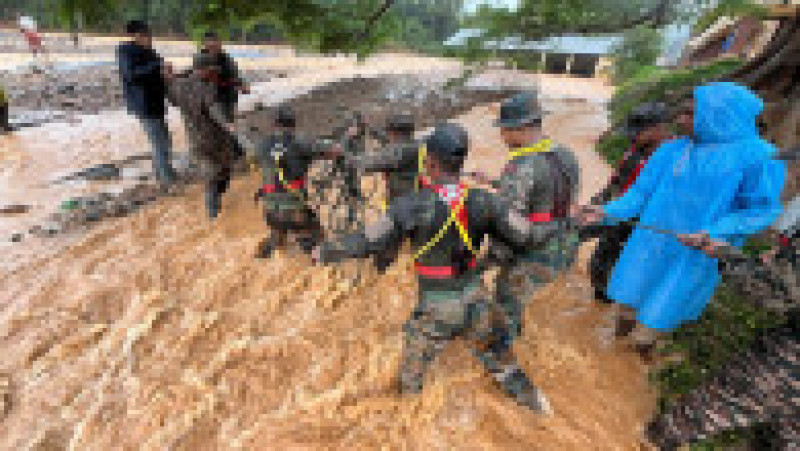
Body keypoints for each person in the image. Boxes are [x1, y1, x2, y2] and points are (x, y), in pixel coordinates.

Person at [313, 123, 559, 413]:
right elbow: (527, 235)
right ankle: (540, 407)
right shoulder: (486, 201)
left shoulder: (409, 207)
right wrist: (565, 225)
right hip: (476, 301)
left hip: (435, 310)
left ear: (430, 162)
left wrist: (325, 251)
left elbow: (369, 241)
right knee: (503, 364)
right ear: (461, 161)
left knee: (409, 384)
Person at [574, 82, 787, 354]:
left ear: (720, 115)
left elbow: (760, 210)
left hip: (695, 252)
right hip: (649, 243)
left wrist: (715, 231)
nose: (681, 119)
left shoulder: (760, 157)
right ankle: (614, 357)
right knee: (628, 300)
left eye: (691, 113)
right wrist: (606, 211)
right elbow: (640, 194)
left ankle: (640, 354)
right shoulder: (672, 150)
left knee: (660, 314)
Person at [645, 151, 798, 449]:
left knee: (689, 420)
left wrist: (721, 253)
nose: (794, 177)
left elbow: (771, 292)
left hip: (788, 361)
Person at [484, 92, 581, 343]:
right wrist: (497, 183)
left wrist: (490, 259)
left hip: (535, 251)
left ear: (522, 128)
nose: (502, 136)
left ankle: (501, 351)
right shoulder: (565, 153)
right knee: (523, 297)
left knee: (506, 298)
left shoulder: (520, 167)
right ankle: (517, 334)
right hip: (564, 245)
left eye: (505, 130)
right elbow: (552, 196)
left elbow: (507, 224)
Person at [581, 102, 673, 335]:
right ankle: (598, 308)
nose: (634, 137)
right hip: (615, 214)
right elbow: (615, 182)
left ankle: (625, 328)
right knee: (598, 262)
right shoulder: (635, 150)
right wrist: (596, 203)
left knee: (634, 280)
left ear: (659, 129)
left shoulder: (675, 160)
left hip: (644, 228)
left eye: (639, 132)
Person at [253, 106, 342, 259]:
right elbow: (335, 150)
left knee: (277, 237)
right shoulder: (299, 142)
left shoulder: (261, 146)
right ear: (293, 123)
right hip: (295, 211)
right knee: (317, 242)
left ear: (273, 124)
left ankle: (266, 253)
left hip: (269, 211)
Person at [344, 112, 421, 272]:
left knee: (383, 248)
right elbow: (389, 143)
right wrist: (369, 129)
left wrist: (344, 147)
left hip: (401, 210)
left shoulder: (396, 154)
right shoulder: (417, 145)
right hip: (421, 203)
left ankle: (382, 270)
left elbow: (364, 164)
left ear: (393, 133)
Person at [164, 57, 239, 219]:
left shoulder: (179, 85)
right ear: (203, 70)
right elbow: (213, 108)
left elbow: (172, 98)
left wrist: (169, 76)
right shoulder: (207, 86)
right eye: (211, 69)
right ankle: (214, 208)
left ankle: (214, 211)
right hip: (215, 138)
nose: (213, 72)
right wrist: (228, 125)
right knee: (223, 171)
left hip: (194, 140)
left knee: (212, 173)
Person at [117, 20, 177, 187]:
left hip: (156, 103)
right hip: (143, 105)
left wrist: (168, 73)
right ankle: (167, 182)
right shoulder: (125, 51)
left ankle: (164, 174)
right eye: (145, 35)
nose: (149, 38)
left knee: (165, 140)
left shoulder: (150, 52)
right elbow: (131, 75)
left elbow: (159, 73)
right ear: (135, 36)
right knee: (160, 143)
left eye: (149, 35)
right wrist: (157, 66)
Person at [192, 31, 249, 123]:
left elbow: (234, 74)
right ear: (205, 43)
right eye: (210, 41)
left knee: (228, 124)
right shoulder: (200, 58)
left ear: (220, 43)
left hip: (229, 97)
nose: (213, 43)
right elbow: (197, 75)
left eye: (215, 41)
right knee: (217, 125)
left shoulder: (226, 58)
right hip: (210, 99)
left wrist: (242, 85)